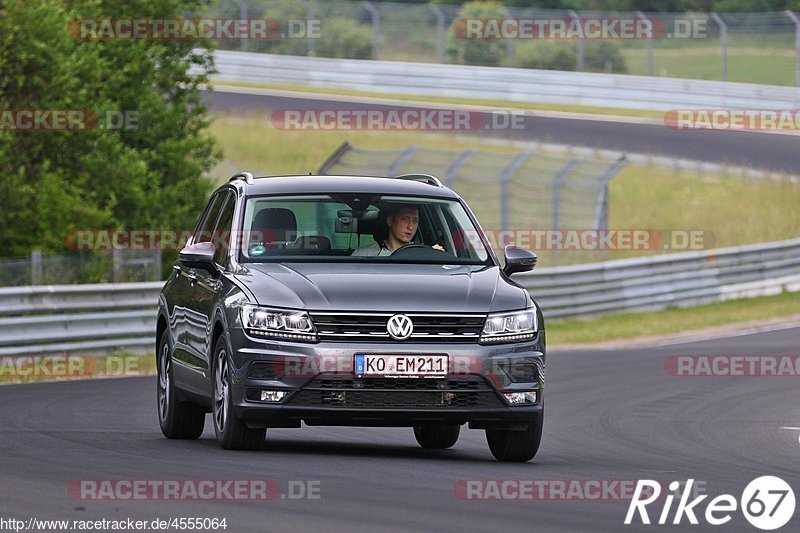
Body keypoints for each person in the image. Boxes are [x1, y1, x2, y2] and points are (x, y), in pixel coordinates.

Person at [351, 204, 443, 257]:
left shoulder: (424, 254)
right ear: (390, 221)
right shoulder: (364, 254)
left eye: (415, 221)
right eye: (405, 219)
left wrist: (435, 255)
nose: (410, 227)